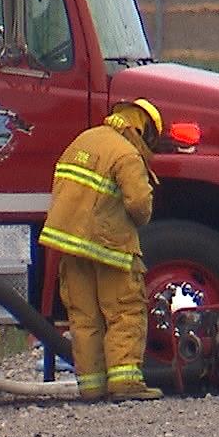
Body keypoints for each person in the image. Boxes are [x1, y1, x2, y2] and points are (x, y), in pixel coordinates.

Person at [39, 99, 165, 401]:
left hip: (70, 245)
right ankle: (125, 383)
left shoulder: (83, 141)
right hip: (110, 246)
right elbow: (139, 206)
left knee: (84, 318)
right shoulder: (126, 153)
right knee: (124, 312)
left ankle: (92, 387)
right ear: (143, 128)